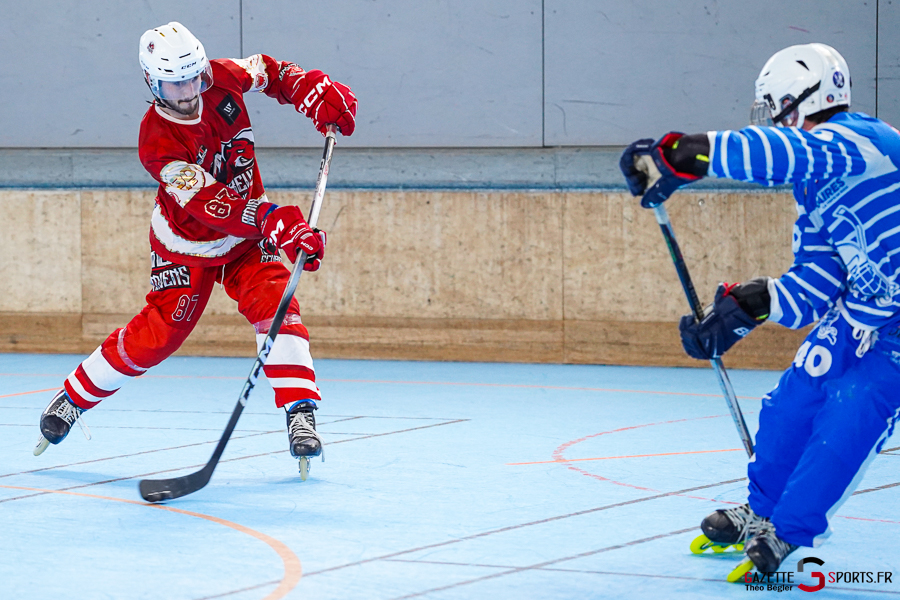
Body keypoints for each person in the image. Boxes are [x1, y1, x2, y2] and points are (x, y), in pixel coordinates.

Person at [620, 43, 900, 576]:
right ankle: (762, 510)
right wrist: (748, 305)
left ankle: (792, 529)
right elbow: (819, 280)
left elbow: (781, 152)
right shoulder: (815, 184)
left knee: (852, 406)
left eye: (775, 108)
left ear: (797, 100)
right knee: (791, 401)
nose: (774, 119)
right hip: (859, 312)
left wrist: (686, 152)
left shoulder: (863, 142)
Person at [34, 22, 357, 477]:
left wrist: (306, 88)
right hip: (186, 243)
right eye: (175, 82)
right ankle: (74, 396)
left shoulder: (221, 77)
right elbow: (212, 204)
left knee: (278, 304)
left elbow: (267, 69)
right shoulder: (157, 141)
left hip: (246, 240)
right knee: (161, 333)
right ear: (153, 82)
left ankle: (300, 413)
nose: (188, 90)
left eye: (194, 76)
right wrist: (273, 221)